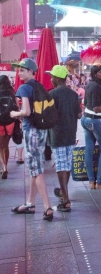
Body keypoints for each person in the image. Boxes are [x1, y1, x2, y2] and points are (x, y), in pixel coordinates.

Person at [9, 59, 54, 220]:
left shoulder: (24, 88)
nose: (20, 73)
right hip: (42, 131)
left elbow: (26, 111)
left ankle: (48, 207)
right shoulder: (39, 86)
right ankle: (30, 203)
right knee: (35, 168)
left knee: (36, 169)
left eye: (23, 70)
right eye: (19, 70)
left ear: (31, 71)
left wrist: (15, 114)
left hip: (31, 131)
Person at [48, 65, 82, 211]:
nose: (50, 79)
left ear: (56, 78)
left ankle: (65, 200)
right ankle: (63, 192)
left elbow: (48, 115)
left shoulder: (52, 94)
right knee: (66, 166)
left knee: (61, 167)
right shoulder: (74, 94)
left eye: (51, 76)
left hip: (57, 135)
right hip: (70, 134)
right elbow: (79, 115)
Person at [0, 75, 18, 179]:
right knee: (6, 145)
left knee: (0, 147)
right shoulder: (12, 93)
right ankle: (5, 166)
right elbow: (17, 107)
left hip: (0, 122)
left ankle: (4, 167)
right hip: (10, 121)